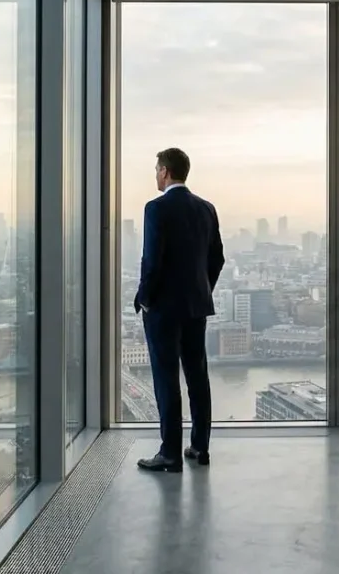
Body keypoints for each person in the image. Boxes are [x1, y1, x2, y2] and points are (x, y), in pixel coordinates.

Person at [135, 147, 225, 472]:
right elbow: (217, 258)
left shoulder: (156, 208)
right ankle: (200, 447)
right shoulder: (206, 208)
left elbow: (152, 261)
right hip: (196, 306)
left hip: (163, 308)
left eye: (156, 170)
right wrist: (203, 289)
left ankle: (170, 453)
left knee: (166, 378)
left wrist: (145, 298)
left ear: (165, 171)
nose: (156, 176)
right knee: (197, 376)